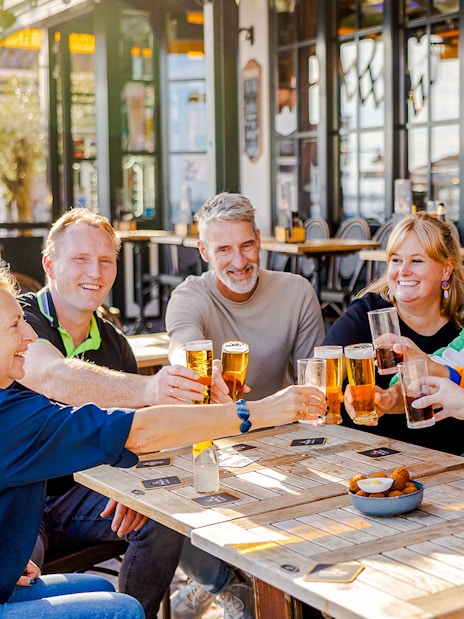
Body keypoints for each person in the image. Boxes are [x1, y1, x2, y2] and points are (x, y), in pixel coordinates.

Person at [0, 264, 326, 617]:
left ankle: (215, 583)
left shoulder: (17, 402)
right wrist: (256, 413)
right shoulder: (14, 418)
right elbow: (137, 429)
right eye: (15, 326)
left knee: (98, 587)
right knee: (121, 609)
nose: (30, 337)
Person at [16, 209, 207, 619]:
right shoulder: (20, 322)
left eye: (106, 261)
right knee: (13, 570)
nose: (95, 272)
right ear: (50, 263)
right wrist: (149, 388)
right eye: (81, 259)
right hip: (21, 495)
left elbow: (139, 433)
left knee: (161, 516)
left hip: (83, 494)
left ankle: (136, 613)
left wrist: (131, 486)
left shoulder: (116, 342)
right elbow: (54, 376)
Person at [165, 192, 325, 618]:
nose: (239, 260)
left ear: (259, 240)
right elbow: (182, 346)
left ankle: (220, 586)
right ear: (203, 252)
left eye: (246, 245)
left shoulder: (296, 291)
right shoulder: (189, 296)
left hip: (282, 441)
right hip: (212, 440)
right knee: (154, 497)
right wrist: (202, 374)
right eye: (223, 249)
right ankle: (223, 585)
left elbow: (313, 382)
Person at [323, 212, 464, 454]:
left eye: (417, 261)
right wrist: (344, 396)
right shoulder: (365, 316)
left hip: (448, 465)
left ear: (446, 270)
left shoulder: (459, 327)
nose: (403, 271)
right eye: (396, 260)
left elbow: (435, 375)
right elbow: (321, 383)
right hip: (369, 459)